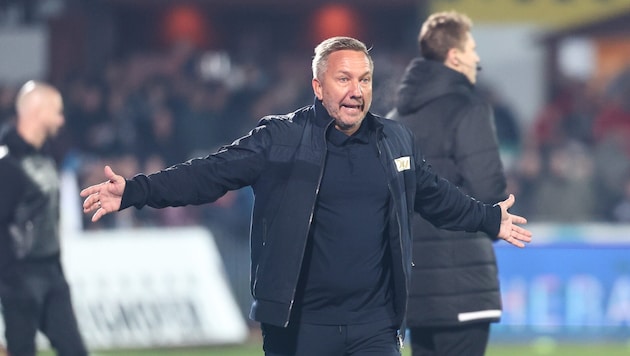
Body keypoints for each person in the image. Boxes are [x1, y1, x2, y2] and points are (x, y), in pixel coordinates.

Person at [80, 36, 531, 356]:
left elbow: (433, 195)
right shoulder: (280, 138)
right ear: (318, 87)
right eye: (344, 79)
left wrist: (489, 219)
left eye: (365, 80)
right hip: (300, 329)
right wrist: (136, 190)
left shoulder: (396, 140)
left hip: (375, 327)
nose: (357, 91)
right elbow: (208, 175)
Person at [387, 11, 509, 356]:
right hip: (463, 280)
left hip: (415, 287)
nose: (477, 57)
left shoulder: (395, 120)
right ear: (454, 56)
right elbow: (490, 194)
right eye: (471, 48)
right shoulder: (468, 109)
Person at [0, 81, 88, 356]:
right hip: (19, 277)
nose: (62, 119)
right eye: (57, 111)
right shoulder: (8, 163)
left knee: (74, 351)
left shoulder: (44, 156)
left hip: (51, 272)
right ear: (37, 111)